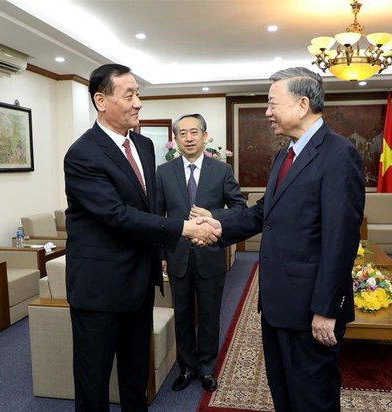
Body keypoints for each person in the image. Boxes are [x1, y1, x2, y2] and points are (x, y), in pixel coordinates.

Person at [199, 67, 365, 411]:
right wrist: (219, 227)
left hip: (310, 309)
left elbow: (341, 240)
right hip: (278, 303)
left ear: (302, 105)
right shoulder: (286, 153)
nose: (267, 112)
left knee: (313, 399)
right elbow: (265, 212)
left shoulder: (339, 154)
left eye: (273, 103)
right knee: (284, 393)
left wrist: (326, 310)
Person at [64, 63, 218, 412]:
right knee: (93, 384)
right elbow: (116, 216)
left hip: (139, 282)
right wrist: (183, 228)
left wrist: (161, 253)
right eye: (129, 94)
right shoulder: (82, 153)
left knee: (136, 377)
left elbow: (150, 207)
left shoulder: (144, 145)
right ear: (101, 100)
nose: (138, 103)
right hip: (100, 289)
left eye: (138, 94)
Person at [156, 114, 247, 392]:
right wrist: (162, 255)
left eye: (194, 132)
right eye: (182, 133)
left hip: (210, 256)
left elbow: (240, 209)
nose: (189, 138)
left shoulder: (221, 171)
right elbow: (158, 217)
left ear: (205, 136)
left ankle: (207, 368)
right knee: (182, 315)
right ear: (176, 139)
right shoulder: (164, 172)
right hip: (177, 256)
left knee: (209, 314)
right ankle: (187, 367)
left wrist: (214, 215)